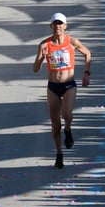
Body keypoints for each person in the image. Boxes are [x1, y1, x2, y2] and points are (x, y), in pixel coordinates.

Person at [32, 13, 92, 169]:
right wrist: (41, 58)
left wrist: (86, 73)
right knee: (55, 125)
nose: (58, 26)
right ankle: (59, 154)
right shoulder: (44, 45)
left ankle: (69, 128)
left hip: (68, 85)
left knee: (66, 113)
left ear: (65, 26)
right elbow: (35, 69)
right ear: (51, 26)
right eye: (55, 24)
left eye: (60, 23)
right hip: (52, 87)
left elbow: (87, 53)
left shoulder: (72, 42)